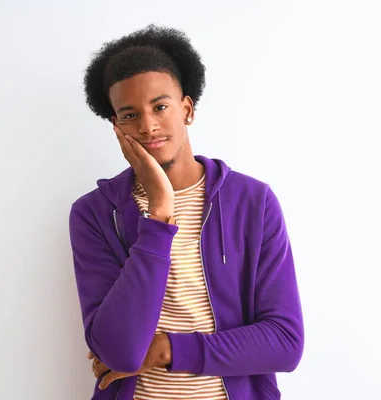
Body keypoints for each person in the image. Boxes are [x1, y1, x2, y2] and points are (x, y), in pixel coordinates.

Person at [68, 24, 304, 400]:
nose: (148, 126)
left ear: (187, 108)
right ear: (115, 125)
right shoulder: (95, 214)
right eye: (129, 115)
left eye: (160, 106)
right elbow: (121, 351)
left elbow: (284, 342)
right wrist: (160, 214)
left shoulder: (253, 202)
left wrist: (166, 349)